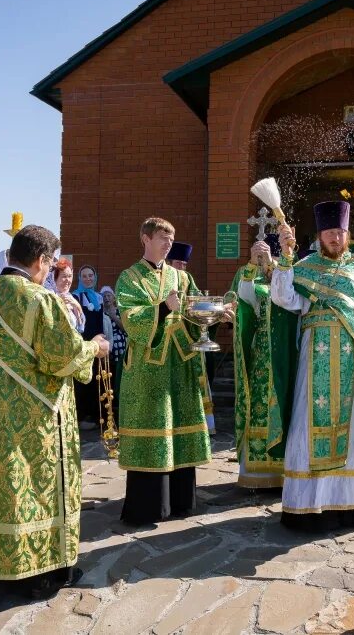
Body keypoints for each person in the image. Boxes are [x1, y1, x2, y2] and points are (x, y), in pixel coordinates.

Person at [0, 224, 109, 599]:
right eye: (51, 263)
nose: (51, 271)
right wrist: (95, 348)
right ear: (40, 260)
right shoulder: (40, 300)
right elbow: (62, 358)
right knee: (33, 489)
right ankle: (40, 573)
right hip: (35, 421)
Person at [273, 201, 354, 533]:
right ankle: (310, 508)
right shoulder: (305, 266)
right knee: (309, 429)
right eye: (329, 233)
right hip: (316, 358)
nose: (335, 238)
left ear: (347, 233)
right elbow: (284, 299)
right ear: (320, 236)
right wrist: (285, 256)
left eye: (339, 232)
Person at [114, 218, 215, 525]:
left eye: (171, 239)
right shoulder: (129, 278)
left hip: (180, 362)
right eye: (162, 238)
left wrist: (217, 312)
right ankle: (148, 506)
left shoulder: (180, 277)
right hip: (148, 367)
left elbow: (196, 307)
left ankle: (182, 502)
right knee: (153, 425)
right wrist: (162, 308)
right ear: (145, 238)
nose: (168, 243)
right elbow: (130, 317)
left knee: (180, 422)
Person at [232, 234, 298, 489]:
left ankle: (284, 469)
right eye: (262, 253)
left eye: (272, 253)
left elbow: (293, 301)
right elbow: (242, 299)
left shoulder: (288, 271)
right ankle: (257, 471)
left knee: (285, 401)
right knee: (258, 402)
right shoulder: (249, 273)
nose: (266, 258)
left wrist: (276, 267)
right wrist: (251, 265)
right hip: (260, 350)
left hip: (285, 350)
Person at [163, 241, 218, 434]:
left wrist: (217, 309)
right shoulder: (160, 278)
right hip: (164, 338)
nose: (182, 268)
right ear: (169, 262)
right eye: (178, 263)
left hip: (187, 337)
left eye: (185, 265)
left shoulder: (187, 279)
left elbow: (197, 301)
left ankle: (197, 424)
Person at [72, 266, 107, 431]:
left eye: (90, 275)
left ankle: (96, 415)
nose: (88, 279)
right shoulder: (75, 296)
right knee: (82, 380)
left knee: (98, 379)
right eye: (84, 276)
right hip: (84, 344)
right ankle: (82, 416)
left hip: (98, 344)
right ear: (80, 278)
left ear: (95, 277)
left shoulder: (99, 297)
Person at [100, 286, 127, 411]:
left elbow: (125, 329)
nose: (106, 298)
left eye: (108, 295)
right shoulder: (100, 312)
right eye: (104, 296)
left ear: (113, 297)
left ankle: (119, 400)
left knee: (119, 373)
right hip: (107, 347)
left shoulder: (119, 311)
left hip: (120, 346)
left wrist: (114, 317)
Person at [52, 260, 86, 335]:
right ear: (55, 278)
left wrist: (77, 305)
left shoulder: (71, 297)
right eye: (64, 276)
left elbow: (81, 327)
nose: (68, 280)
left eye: (70, 276)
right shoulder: (51, 297)